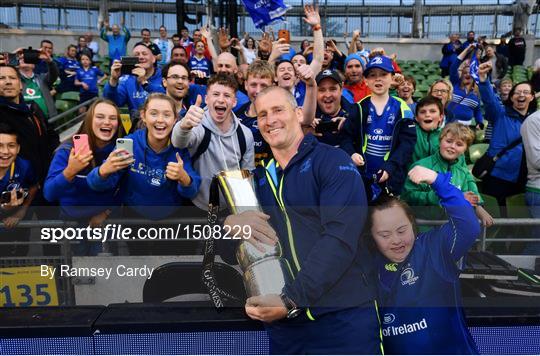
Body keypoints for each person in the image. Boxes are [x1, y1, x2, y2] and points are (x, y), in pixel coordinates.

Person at [224, 86, 381, 354]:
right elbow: (230, 253)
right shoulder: (255, 181)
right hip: (287, 327)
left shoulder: (332, 162)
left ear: (298, 113)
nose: (270, 120)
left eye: (277, 110)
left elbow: (340, 240)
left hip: (343, 319)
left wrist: (291, 299)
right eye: (262, 114)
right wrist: (229, 225)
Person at [368, 165, 480, 355]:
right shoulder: (366, 265)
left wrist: (438, 181)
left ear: (412, 224)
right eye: (384, 235)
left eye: (402, 230)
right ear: (371, 236)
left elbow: (468, 227)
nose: (396, 240)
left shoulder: (434, 248)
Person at [87, 93, 201, 255]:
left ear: (175, 119)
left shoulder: (179, 147)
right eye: (154, 113)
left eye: (167, 115)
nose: (160, 120)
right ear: (143, 116)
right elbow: (96, 184)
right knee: (140, 268)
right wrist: (103, 171)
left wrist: (184, 178)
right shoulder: (130, 143)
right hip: (136, 221)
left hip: (172, 222)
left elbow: (193, 189)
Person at [44, 99, 125, 255]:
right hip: (72, 224)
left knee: (105, 273)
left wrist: (106, 213)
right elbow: (49, 194)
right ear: (89, 120)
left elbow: (124, 187)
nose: (107, 122)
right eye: (100, 117)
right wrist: (70, 170)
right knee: (77, 274)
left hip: (103, 223)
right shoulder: (67, 151)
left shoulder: (120, 152)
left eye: (112, 118)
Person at [172, 73, 254, 210]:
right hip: (196, 205)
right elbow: (178, 142)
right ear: (207, 99)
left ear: (234, 102)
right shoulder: (197, 124)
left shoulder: (245, 134)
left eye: (227, 96)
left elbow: (248, 174)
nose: (221, 100)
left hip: (229, 209)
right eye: (216, 94)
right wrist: (184, 125)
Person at [341, 55, 416, 199]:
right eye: (372, 75)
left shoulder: (403, 108)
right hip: (361, 178)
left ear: (392, 78)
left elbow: (407, 144)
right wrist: (351, 153)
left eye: (383, 74)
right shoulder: (359, 108)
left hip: (391, 179)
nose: (378, 79)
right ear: (366, 80)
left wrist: (391, 167)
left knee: (388, 219)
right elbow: (346, 137)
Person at [402, 122, 493, 226]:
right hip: (424, 227)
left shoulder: (462, 172)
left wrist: (478, 207)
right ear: (440, 141)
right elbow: (408, 196)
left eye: (459, 144)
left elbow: (471, 193)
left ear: (465, 149)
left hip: (452, 229)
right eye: (449, 141)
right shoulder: (421, 166)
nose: (452, 146)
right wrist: (437, 197)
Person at [477, 61, 536, 207]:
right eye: (517, 92)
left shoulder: (535, 120)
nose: (521, 95)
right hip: (498, 176)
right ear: (511, 97)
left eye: (525, 92)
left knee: (517, 222)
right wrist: (483, 80)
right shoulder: (500, 113)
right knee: (495, 218)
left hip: (524, 179)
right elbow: (490, 101)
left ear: (532, 97)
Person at [0, 122, 39, 257]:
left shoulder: (24, 166)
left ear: (18, 148)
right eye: (0, 146)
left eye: (11, 146)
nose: (5, 152)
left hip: (17, 224)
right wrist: (5, 209)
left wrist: (21, 211)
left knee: (19, 257)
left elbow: (34, 186)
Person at [103, 43, 165, 124]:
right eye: (137, 55)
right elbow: (112, 102)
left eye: (144, 54)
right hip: (138, 128)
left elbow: (169, 97)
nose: (141, 57)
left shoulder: (165, 75)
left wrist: (144, 82)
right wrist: (113, 80)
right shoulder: (127, 80)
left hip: (162, 124)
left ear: (153, 59)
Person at [312, 69, 358, 147]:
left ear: (341, 89)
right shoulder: (308, 116)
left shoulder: (355, 114)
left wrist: (351, 126)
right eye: (322, 90)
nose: (327, 95)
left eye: (332, 89)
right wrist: (304, 130)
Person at [18, 48, 59, 120]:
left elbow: (54, 73)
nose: (24, 59)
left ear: (34, 65)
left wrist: (49, 61)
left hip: (48, 120)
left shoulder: (42, 78)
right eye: (21, 58)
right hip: (26, 120)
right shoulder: (14, 80)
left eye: (28, 58)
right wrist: (11, 56)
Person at [448, 45, 483, 127]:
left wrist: (479, 122)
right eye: (465, 73)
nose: (467, 74)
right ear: (461, 75)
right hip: (451, 124)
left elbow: (477, 111)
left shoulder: (476, 93)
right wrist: (467, 50)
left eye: (470, 73)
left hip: (466, 128)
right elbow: (454, 67)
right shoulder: (455, 84)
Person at [520, 110, 540, 254]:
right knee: (536, 246)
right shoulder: (534, 121)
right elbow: (537, 160)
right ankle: (523, 276)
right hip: (538, 190)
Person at [411, 96, 445, 163]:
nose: (427, 114)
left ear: (441, 117)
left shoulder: (447, 137)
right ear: (416, 118)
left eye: (432, 111)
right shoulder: (409, 134)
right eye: (422, 112)